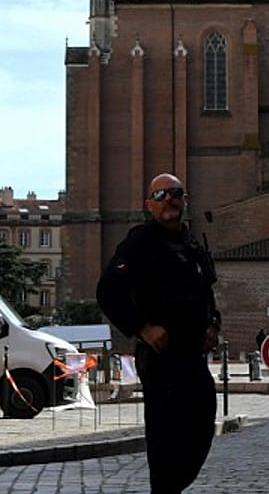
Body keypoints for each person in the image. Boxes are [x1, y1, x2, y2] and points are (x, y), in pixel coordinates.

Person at [96, 173, 222, 494]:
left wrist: (212, 325)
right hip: (161, 358)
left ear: (184, 200)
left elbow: (207, 294)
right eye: (162, 194)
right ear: (149, 204)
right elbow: (108, 292)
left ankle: (172, 487)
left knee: (203, 424)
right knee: (165, 439)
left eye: (176, 193)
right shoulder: (139, 244)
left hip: (194, 355)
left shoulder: (191, 244)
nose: (170, 199)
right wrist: (142, 327)